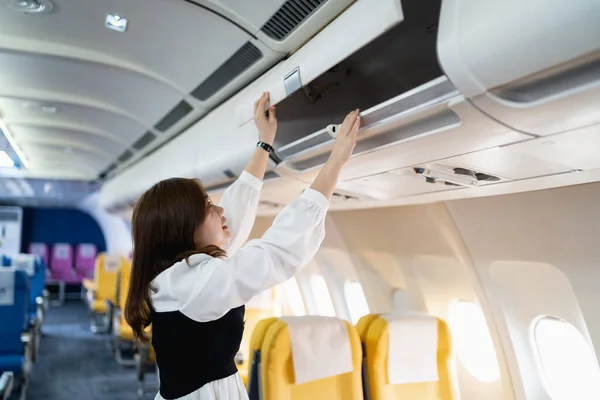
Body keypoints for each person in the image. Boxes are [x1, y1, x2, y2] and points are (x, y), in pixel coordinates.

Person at [124, 92, 361, 400]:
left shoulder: (181, 275)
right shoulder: (194, 283)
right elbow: (275, 252)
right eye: (209, 207)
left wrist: (265, 142)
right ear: (186, 231)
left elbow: (231, 221)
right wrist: (336, 161)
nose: (221, 211)